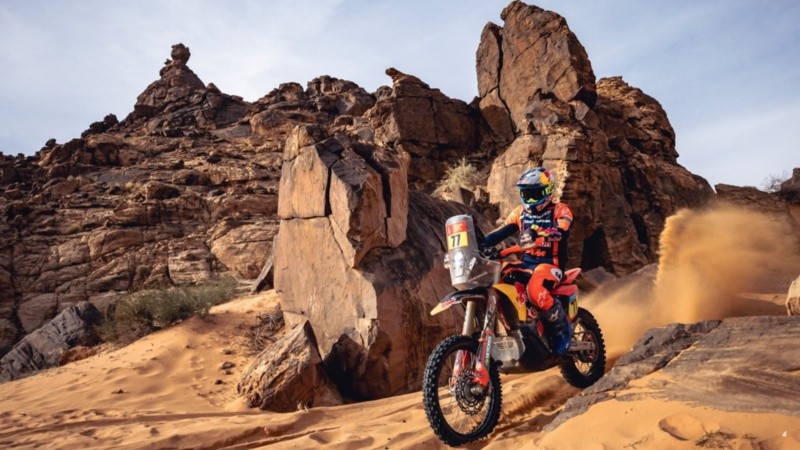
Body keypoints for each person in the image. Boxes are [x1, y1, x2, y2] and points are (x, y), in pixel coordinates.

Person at [480, 167, 574, 354]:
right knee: (496, 277)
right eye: (526, 194)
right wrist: (481, 243)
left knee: (535, 290)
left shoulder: (560, 209)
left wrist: (552, 232)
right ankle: (517, 325)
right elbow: (500, 233)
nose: (530, 200)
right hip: (525, 264)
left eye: (534, 194)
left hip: (550, 265)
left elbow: (564, 226)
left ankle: (562, 330)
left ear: (548, 192)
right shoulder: (519, 213)